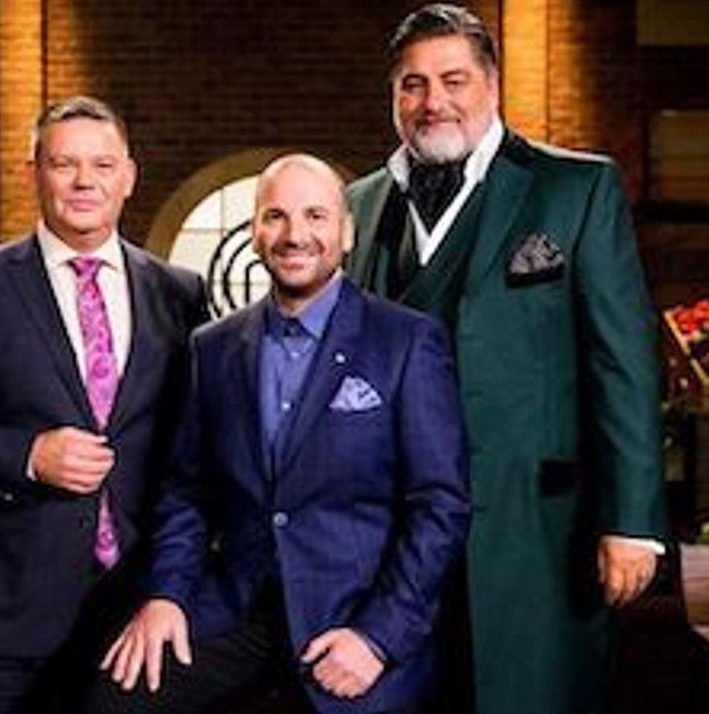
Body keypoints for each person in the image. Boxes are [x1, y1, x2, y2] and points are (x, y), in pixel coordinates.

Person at [345, 4, 667, 714]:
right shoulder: (357, 204)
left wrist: (632, 520)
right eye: (413, 84)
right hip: (397, 535)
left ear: (491, 84)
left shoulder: (574, 188)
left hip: (538, 526)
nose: (433, 101)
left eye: (453, 79)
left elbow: (622, 361)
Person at [88, 153, 471, 714]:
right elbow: (185, 492)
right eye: (276, 217)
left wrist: (377, 638)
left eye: (315, 216)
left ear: (346, 233)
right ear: (255, 233)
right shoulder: (212, 348)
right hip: (237, 610)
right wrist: (166, 596)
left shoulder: (406, 341)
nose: (295, 235)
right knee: (112, 699)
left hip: (354, 620)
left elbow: (440, 506)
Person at [0, 95, 208, 714]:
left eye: (102, 165)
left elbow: (192, 446)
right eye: (64, 164)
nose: (85, 181)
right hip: (4, 610)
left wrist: (174, 585)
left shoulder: (178, 292)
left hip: (132, 612)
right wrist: (27, 455)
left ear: (128, 176)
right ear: (33, 172)